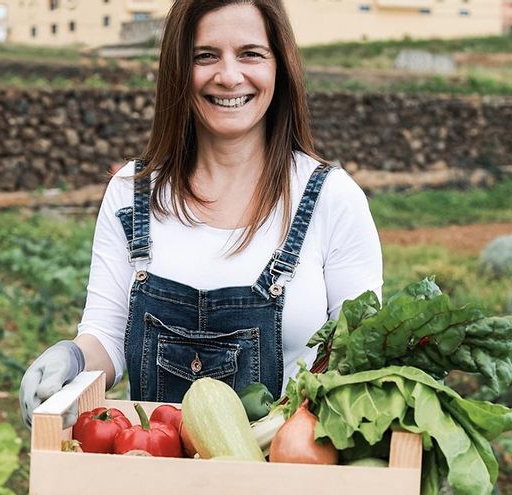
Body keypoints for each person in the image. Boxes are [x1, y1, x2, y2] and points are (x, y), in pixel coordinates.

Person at [19, 0, 383, 429]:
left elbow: (360, 357)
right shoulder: (132, 193)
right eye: (205, 56)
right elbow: (108, 335)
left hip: (289, 471)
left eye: (250, 54)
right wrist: (75, 356)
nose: (229, 76)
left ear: (280, 67)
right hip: (153, 468)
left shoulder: (331, 199)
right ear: (178, 69)